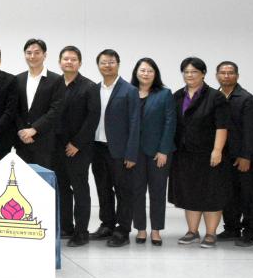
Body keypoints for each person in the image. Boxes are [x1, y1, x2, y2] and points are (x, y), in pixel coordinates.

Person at [169, 57, 229, 248]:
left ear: (203, 74)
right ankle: (192, 231)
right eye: (186, 72)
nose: (190, 75)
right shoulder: (177, 96)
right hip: (184, 154)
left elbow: (222, 126)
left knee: (211, 194)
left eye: (194, 71)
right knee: (190, 193)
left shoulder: (215, 97)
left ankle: (210, 234)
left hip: (209, 154)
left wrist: (217, 150)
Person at [90, 49, 141, 247]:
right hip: (97, 148)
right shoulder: (94, 89)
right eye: (103, 62)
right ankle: (107, 224)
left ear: (118, 64)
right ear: (98, 65)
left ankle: (123, 230)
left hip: (120, 150)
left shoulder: (129, 90)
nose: (107, 65)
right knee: (103, 189)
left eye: (111, 62)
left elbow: (135, 123)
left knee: (123, 191)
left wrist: (131, 153)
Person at [54, 46, 99, 247]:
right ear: (60, 62)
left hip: (79, 148)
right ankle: (66, 227)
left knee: (80, 189)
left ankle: (81, 232)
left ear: (79, 63)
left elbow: (92, 119)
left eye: (73, 59)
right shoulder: (54, 84)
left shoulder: (89, 87)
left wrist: (77, 144)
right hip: (57, 146)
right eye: (65, 59)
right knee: (62, 187)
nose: (69, 62)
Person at [130, 58, 175, 247]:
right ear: (136, 72)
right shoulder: (129, 92)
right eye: (142, 70)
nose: (146, 74)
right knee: (137, 191)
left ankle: (156, 230)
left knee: (157, 191)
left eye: (150, 70)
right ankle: (140, 229)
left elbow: (170, 122)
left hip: (158, 152)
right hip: (134, 152)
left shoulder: (164, 94)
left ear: (155, 74)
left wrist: (164, 150)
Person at [215, 61, 253, 247]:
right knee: (227, 194)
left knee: (247, 195)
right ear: (217, 76)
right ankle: (232, 228)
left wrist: (247, 156)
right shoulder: (215, 97)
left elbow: (252, 131)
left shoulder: (246, 99)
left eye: (230, 73)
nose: (226, 76)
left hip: (242, 156)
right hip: (222, 156)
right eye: (222, 73)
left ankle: (250, 233)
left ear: (237, 76)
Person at [14, 39, 65, 169]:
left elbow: (56, 110)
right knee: (22, 179)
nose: (32, 56)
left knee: (43, 180)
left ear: (44, 55)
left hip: (45, 142)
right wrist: (21, 131)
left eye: (37, 52)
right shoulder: (18, 79)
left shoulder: (56, 80)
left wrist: (34, 129)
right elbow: (14, 109)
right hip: (22, 142)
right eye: (29, 53)